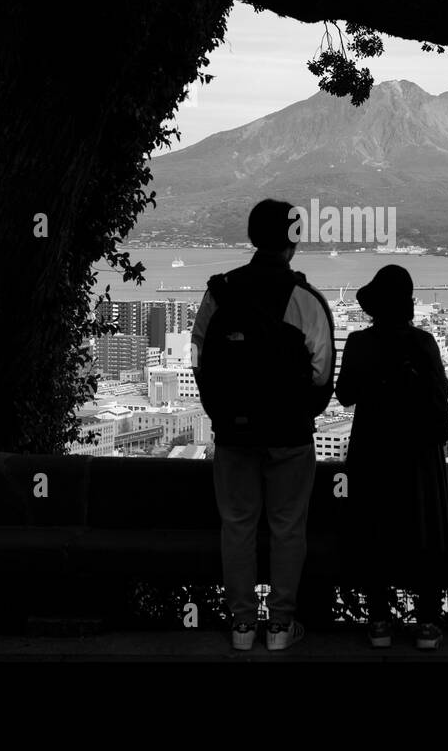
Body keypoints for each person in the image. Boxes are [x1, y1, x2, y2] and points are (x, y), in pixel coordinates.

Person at [191, 199, 335, 652]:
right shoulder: (306, 300)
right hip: (290, 433)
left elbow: (199, 358)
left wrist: (221, 411)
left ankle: (241, 626)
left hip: (233, 432)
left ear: (253, 235)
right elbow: (322, 374)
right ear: (294, 239)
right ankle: (279, 626)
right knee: (288, 525)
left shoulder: (220, 292)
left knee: (237, 524)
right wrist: (300, 413)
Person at [335, 264, 448, 650]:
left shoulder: (358, 343)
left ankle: (379, 621)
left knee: (374, 529)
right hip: (418, 452)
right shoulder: (423, 343)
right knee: (423, 529)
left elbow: (345, 395)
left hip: (373, 448)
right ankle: (426, 622)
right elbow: (441, 396)